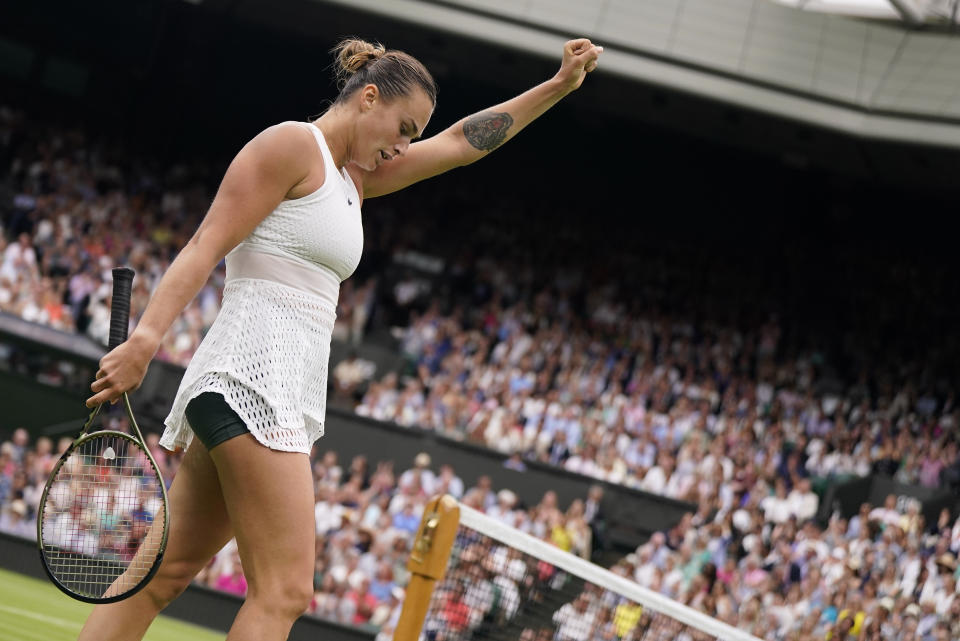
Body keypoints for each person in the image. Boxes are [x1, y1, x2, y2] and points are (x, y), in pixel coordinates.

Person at [78, 35, 603, 641]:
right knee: (286, 591)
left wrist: (558, 87)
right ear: (368, 98)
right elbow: (204, 246)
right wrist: (145, 340)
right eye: (402, 127)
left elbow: (460, 143)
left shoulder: (355, 179)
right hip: (251, 379)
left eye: (413, 135)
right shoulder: (290, 145)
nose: (404, 145)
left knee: (163, 573)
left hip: (273, 390)